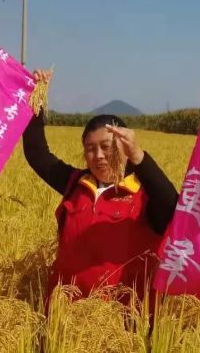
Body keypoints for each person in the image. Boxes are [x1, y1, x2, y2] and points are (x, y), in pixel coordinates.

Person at [22, 69, 178, 312]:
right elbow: (37, 154)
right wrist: (37, 97)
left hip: (120, 322)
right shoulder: (75, 183)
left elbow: (171, 206)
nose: (98, 156)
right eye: (90, 149)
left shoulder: (144, 193)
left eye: (106, 146)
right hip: (65, 316)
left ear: (125, 147)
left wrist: (139, 157)